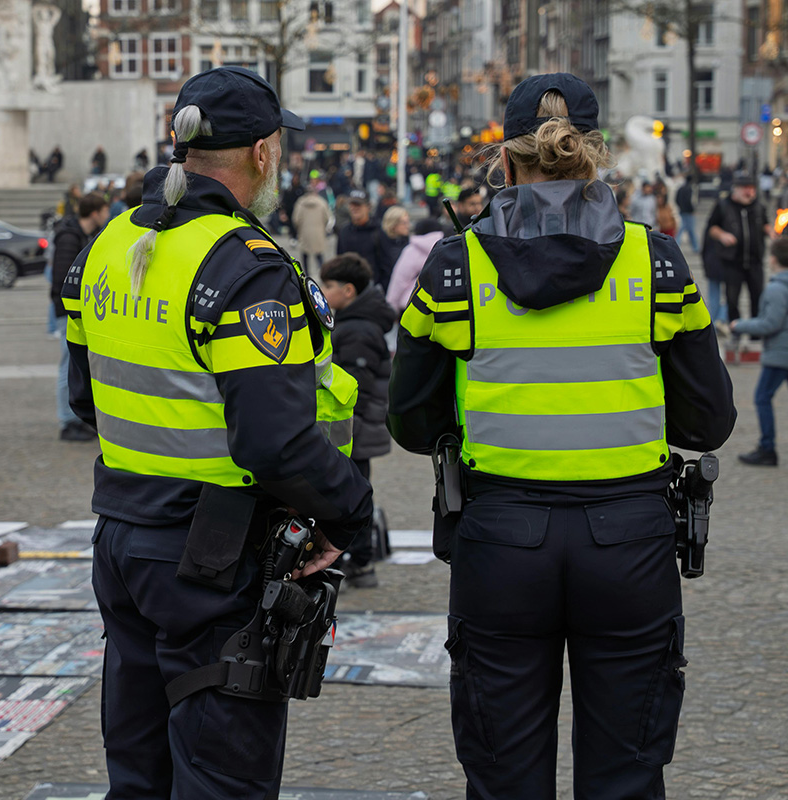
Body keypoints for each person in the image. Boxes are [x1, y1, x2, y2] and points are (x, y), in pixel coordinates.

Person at [387, 72, 736, 799]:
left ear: (505, 161)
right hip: (630, 540)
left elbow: (412, 421)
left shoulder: (455, 266)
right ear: (595, 153)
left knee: (504, 775)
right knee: (627, 774)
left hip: (500, 539)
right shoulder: (657, 262)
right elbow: (709, 420)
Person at [60, 66, 372, 799]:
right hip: (212, 555)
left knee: (138, 772)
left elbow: (85, 400)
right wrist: (348, 515)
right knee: (222, 779)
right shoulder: (244, 266)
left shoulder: (109, 242)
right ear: (263, 152)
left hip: (122, 537)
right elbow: (275, 441)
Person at [320, 252, 394, 586]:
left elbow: (352, 387)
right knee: (354, 491)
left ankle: (361, 562)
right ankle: (358, 559)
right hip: (356, 426)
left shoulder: (357, 329)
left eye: (329, 285)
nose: (323, 291)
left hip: (354, 428)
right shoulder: (353, 321)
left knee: (353, 495)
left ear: (348, 290)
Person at [51, 191, 109, 441]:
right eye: (105, 210)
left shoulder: (83, 235)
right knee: (67, 367)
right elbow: (62, 278)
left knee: (75, 364)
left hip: (76, 310)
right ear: (94, 213)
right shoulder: (70, 236)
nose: (108, 215)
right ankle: (67, 422)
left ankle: (76, 419)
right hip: (68, 311)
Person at [733, 237, 788, 466]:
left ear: (773, 259)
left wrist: (739, 325)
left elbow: (770, 324)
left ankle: (767, 448)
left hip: (779, 355)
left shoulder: (776, 289)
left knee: (762, 397)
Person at [706, 172, 774, 323]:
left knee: (757, 297)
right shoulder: (723, 206)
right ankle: (735, 327)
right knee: (732, 299)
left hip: (755, 261)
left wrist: (770, 232)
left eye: (752, 188)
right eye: (745, 188)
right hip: (732, 262)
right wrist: (722, 235)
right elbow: (712, 228)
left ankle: (756, 329)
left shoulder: (758, 207)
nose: (749, 192)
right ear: (735, 189)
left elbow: (765, 224)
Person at [384, 217, 444, 314]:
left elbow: (399, 280)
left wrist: (391, 307)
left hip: (413, 304)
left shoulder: (412, 250)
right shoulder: (446, 248)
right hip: (440, 305)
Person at [292, 173, 332, 275]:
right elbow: (328, 218)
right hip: (318, 232)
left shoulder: (300, 202)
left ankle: (306, 273)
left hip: (305, 232)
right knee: (319, 254)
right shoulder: (322, 202)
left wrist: (299, 228)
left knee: (305, 254)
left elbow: (296, 219)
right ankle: (322, 271)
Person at [335, 189, 381, 272]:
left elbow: (386, 263)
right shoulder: (344, 232)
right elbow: (340, 260)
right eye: (352, 205)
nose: (354, 208)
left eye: (358, 205)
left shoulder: (378, 230)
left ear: (368, 207)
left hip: (372, 278)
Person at [375, 205, 410, 291]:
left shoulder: (409, 243)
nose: (408, 226)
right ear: (393, 224)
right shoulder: (379, 242)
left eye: (408, 222)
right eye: (404, 223)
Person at [675, 173, 699, 252]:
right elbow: (690, 201)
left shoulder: (681, 188)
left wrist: (681, 207)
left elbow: (677, 199)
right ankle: (695, 247)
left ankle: (677, 243)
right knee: (690, 229)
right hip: (689, 212)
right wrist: (692, 209)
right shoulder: (690, 189)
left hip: (682, 210)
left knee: (683, 228)